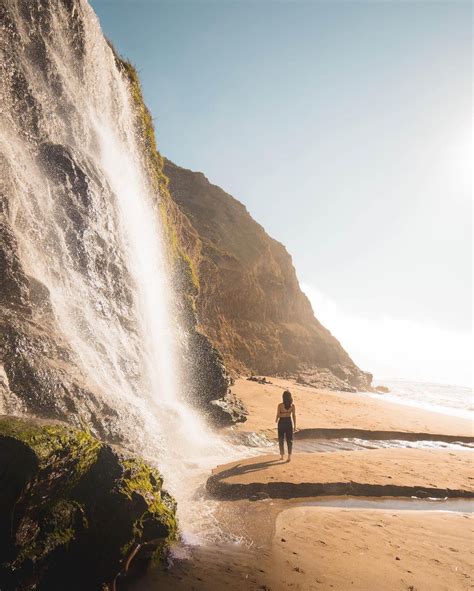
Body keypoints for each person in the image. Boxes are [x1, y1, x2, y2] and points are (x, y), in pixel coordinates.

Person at [275, 390, 296, 462]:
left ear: (283, 397)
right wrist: (295, 425)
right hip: (289, 422)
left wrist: (276, 419)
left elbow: (278, 414)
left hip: (281, 422)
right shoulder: (292, 406)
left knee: (281, 439)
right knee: (289, 440)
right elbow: (293, 416)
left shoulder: (280, 405)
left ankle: (282, 456)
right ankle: (289, 457)